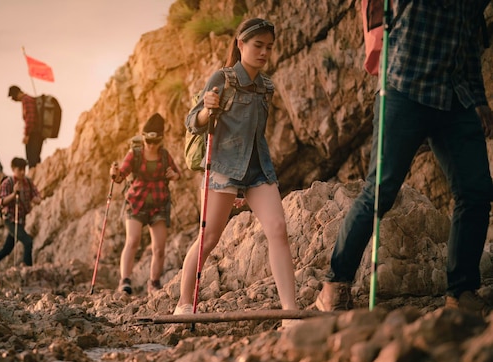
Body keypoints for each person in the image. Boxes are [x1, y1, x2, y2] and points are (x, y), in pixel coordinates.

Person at [315, 1, 493, 315]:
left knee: (476, 191)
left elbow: (468, 44)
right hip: (404, 89)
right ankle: (336, 283)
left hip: (455, 96)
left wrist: (479, 101)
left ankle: (461, 291)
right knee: (380, 190)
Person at [172, 18, 298, 321]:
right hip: (223, 169)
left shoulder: (266, 86)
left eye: (269, 47)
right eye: (258, 45)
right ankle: (184, 302)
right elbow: (192, 122)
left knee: (278, 230)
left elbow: (258, 134)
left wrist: (246, 189)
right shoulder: (222, 78)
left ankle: (290, 314)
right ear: (240, 45)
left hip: (258, 171)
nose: (264, 52)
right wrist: (206, 110)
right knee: (209, 237)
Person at [109, 113, 181, 295]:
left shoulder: (164, 156)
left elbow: (177, 173)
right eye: (147, 141)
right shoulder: (134, 154)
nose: (150, 145)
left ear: (160, 141)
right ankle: (124, 281)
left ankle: (154, 283)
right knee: (132, 240)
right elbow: (120, 177)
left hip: (159, 203)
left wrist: (174, 175)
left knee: (159, 247)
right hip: (136, 203)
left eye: (154, 142)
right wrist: (114, 173)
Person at [0, 157, 42, 283]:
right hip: (11, 219)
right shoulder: (8, 183)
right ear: (13, 169)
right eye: (19, 169)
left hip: (21, 220)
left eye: (24, 169)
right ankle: (28, 272)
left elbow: (37, 196)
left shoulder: (27, 182)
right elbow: (2, 201)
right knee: (28, 241)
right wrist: (14, 194)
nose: (22, 172)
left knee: (6, 249)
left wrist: (36, 199)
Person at [8, 85, 43, 168]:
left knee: (32, 159)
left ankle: (33, 175)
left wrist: (27, 135)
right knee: (35, 158)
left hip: (33, 133)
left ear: (17, 93)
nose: (13, 100)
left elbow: (30, 118)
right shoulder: (30, 99)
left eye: (13, 97)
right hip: (38, 132)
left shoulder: (26, 100)